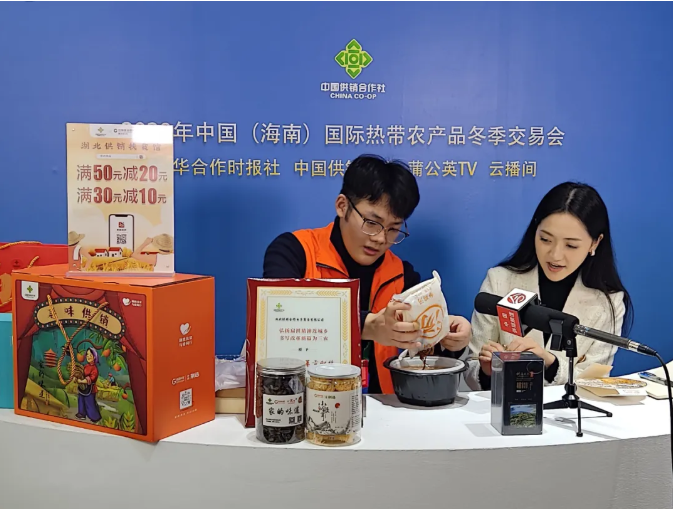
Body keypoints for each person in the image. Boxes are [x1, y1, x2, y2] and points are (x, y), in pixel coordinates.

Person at [263, 155, 472, 394]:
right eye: (372, 223)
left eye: (394, 229)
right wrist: (368, 325)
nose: (381, 238)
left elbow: (421, 349)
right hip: (302, 399)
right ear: (342, 206)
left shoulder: (402, 275)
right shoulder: (295, 251)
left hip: (382, 405)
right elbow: (279, 317)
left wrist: (447, 337)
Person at [465, 182, 633, 390]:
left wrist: (549, 364)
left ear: (595, 243)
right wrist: (487, 371)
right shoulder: (500, 281)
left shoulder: (609, 301)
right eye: (545, 239)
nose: (555, 255)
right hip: (504, 406)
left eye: (571, 245)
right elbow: (471, 369)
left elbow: (594, 381)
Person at [76, 348, 102, 423]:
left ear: (94, 357)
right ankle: (81, 414)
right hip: (82, 387)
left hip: (90, 389)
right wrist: (77, 377)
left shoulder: (94, 369)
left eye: (90, 355)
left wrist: (82, 381)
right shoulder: (85, 366)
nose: (88, 356)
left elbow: (92, 378)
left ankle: (94, 417)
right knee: (81, 400)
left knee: (89, 403)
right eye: (87, 355)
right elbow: (81, 373)